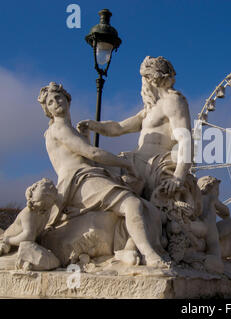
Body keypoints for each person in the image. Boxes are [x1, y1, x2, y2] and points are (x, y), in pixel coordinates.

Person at [37, 82, 168, 267]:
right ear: (48, 111)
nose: (56, 102)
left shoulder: (68, 130)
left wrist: (86, 137)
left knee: (142, 206)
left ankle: (128, 250)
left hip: (87, 176)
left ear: (67, 100)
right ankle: (149, 254)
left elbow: (86, 156)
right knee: (132, 204)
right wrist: (125, 163)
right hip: (80, 180)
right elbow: (92, 154)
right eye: (50, 102)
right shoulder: (59, 128)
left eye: (58, 97)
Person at [77, 56, 193, 201]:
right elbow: (118, 128)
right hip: (134, 161)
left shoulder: (173, 101)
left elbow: (185, 139)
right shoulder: (149, 110)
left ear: (150, 79)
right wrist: (94, 125)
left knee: (99, 171)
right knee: (92, 167)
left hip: (152, 166)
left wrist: (179, 176)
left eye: (144, 79)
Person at [0, 178, 57, 255]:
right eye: (38, 204)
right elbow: (29, 236)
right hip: (9, 240)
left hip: (23, 242)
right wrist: (8, 240)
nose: (43, 209)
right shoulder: (28, 213)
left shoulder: (46, 211)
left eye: (46, 206)